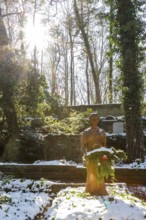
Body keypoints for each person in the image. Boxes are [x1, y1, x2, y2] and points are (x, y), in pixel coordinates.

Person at [81, 112, 108, 196]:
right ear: (89, 120)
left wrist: (105, 154)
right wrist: (86, 153)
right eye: (92, 119)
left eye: (96, 119)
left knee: (100, 172)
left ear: (98, 120)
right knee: (91, 173)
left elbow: (104, 144)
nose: (94, 121)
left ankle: (101, 190)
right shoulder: (86, 132)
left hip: (100, 156)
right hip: (90, 156)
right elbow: (83, 145)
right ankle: (90, 190)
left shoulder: (102, 131)